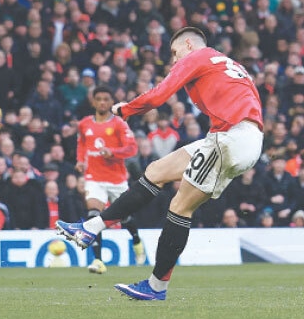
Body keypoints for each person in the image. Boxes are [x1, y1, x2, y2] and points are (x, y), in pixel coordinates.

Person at [57, 27, 263, 300]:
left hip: (231, 137)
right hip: (236, 135)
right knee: (157, 171)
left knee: (180, 207)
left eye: (175, 53)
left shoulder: (198, 57)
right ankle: (90, 229)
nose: (175, 60)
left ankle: (156, 286)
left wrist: (126, 109)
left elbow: (159, 93)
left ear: (189, 44)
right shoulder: (227, 63)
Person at [75, 86, 145, 274]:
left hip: (116, 179)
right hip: (94, 177)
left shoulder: (119, 124)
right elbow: (82, 143)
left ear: (111, 101)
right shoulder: (84, 124)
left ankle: (136, 241)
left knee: (125, 217)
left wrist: (113, 152)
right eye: (99, 99)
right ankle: (98, 260)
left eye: (106, 99)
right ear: (93, 102)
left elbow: (132, 149)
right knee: (94, 215)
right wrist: (80, 161)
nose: (102, 102)